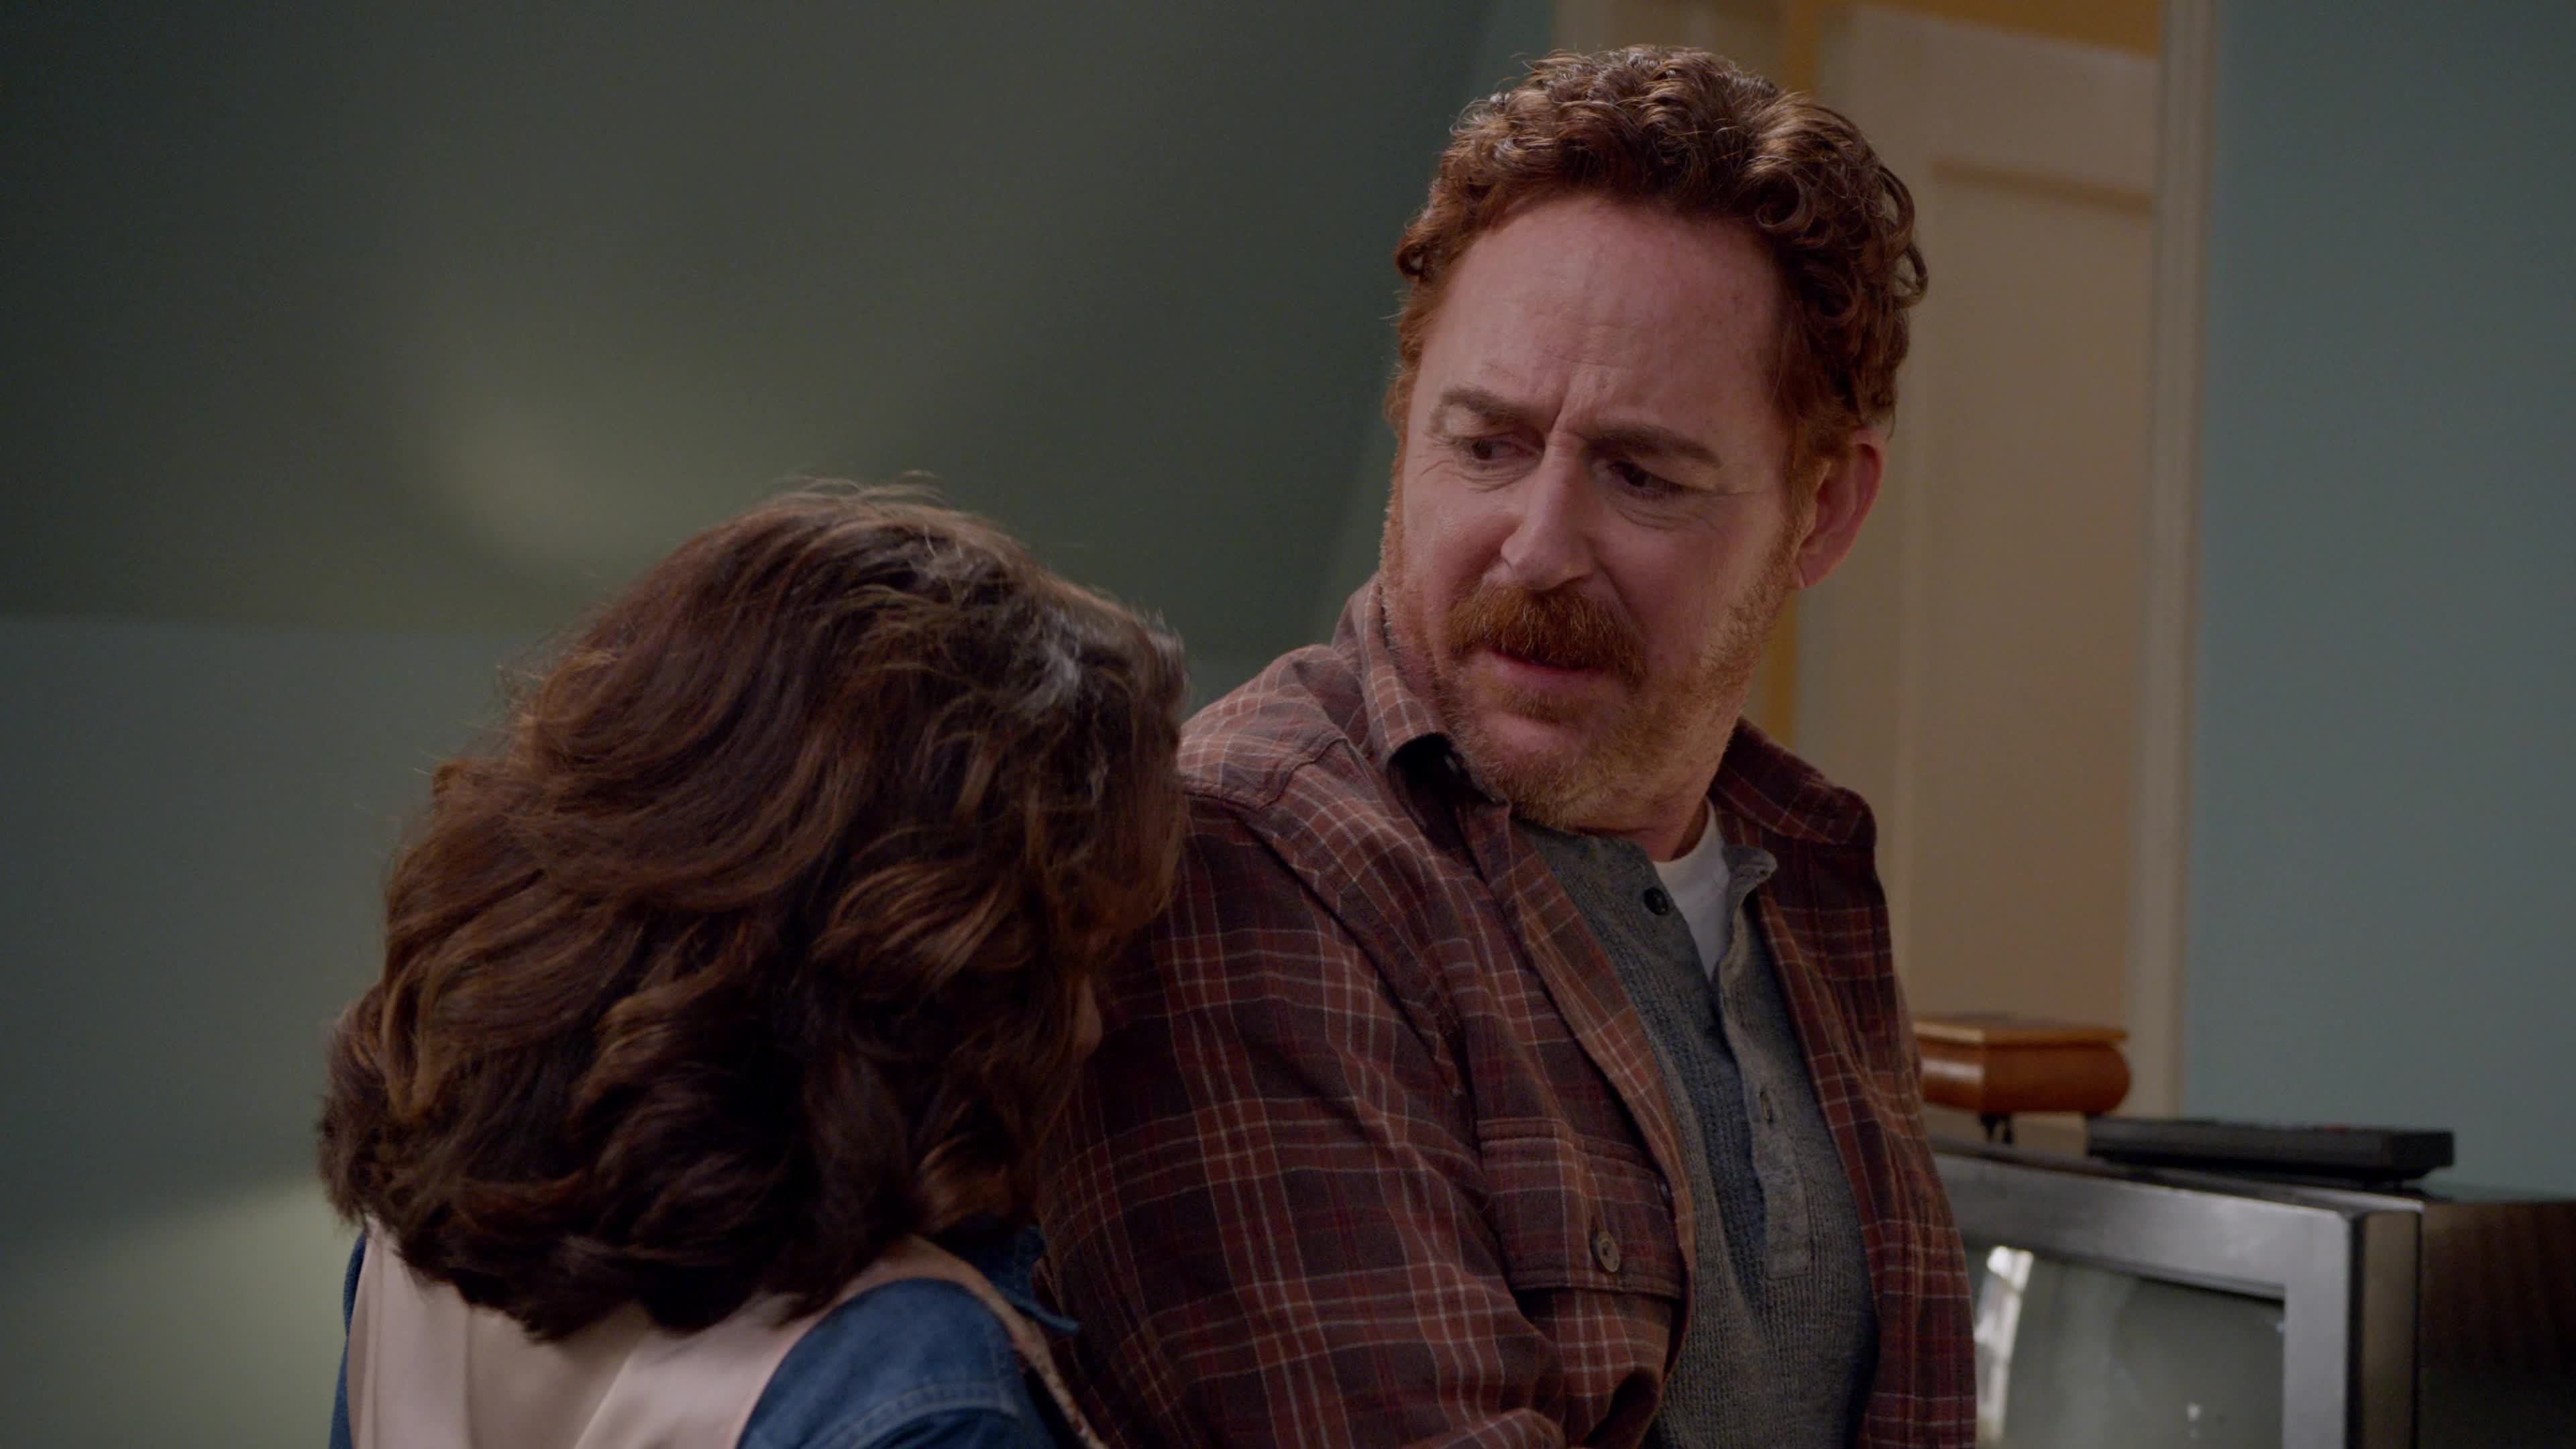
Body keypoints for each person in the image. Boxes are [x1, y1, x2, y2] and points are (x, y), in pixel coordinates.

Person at [1038, 47, 1972, 1448]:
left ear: (1823, 513)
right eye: (1487, 446)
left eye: (1641, 475)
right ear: (1408, 421)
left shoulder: (1805, 868)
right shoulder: (1242, 858)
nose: (1537, 548)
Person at [317, 490, 1187, 1449]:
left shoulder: (426, 1227)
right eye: (1070, 957)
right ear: (911, 968)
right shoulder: (917, 1389)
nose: (1088, 1025)